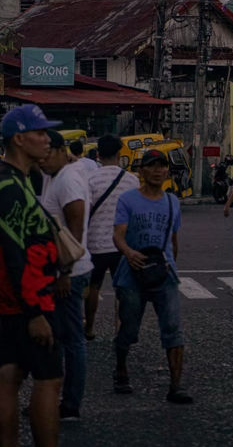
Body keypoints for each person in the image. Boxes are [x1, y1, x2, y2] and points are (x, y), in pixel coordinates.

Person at [0, 104, 63, 447]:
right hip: (28, 297)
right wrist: (35, 314)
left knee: (10, 371)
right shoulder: (9, 187)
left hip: (18, 294)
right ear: (19, 138)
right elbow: (16, 255)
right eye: (40, 133)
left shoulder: (16, 179)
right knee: (49, 378)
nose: (47, 140)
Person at [112, 148, 192, 404]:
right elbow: (118, 235)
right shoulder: (127, 200)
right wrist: (128, 253)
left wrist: (170, 267)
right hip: (132, 274)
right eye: (152, 165)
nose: (159, 170)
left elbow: (174, 240)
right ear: (141, 171)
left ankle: (176, 386)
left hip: (164, 275)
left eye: (162, 165)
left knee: (173, 329)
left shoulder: (173, 201)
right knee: (129, 329)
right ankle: (121, 369)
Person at [39, 129, 93, 423]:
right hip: (59, 270)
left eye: (47, 154)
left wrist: (65, 272)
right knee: (58, 338)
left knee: (72, 340)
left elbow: (76, 229)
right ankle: (52, 398)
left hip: (70, 272)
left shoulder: (69, 179)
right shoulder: (56, 174)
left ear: (60, 151)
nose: (42, 160)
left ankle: (70, 405)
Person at [84, 134, 139, 340]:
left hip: (96, 244)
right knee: (121, 289)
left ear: (98, 155)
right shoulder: (132, 180)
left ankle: (89, 328)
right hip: (122, 246)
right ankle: (119, 329)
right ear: (119, 153)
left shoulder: (90, 180)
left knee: (93, 287)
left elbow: (86, 212)